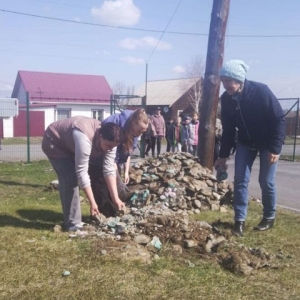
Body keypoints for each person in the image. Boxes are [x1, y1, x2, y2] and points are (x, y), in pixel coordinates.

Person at [214, 59, 285, 237]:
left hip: (268, 144)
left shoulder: (261, 91)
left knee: (266, 181)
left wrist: (275, 148)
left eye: (228, 81)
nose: (225, 85)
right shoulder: (226, 99)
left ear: (239, 79)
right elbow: (229, 129)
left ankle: (269, 217)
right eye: (223, 81)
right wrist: (223, 156)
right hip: (245, 143)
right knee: (240, 181)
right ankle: (239, 221)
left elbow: (279, 119)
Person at [42, 116, 124, 231]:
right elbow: (82, 173)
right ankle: (72, 223)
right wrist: (92, 202)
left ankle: (75, 220)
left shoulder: (112, 140)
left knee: (85, 173)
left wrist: (116, 199)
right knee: (69, 179)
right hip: (55, 142)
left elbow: (109, 169)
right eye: (108, 146)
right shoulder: (84, 139)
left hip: (70, 144)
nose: (110, 149)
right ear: (100, 137)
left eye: (113, 147)